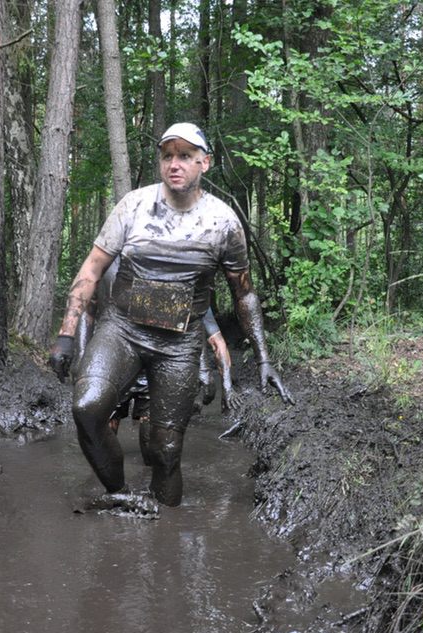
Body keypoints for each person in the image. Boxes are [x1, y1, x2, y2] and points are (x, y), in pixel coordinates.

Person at [50, 122, 292, 507]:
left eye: (184, 156)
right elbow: (91, 270)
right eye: (167, 156)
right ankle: (120, 495)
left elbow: (243, 293)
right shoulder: (133, 206)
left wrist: (263, 357)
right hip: (122, 330)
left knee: (165, 452)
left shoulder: (223, 222)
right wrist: (66, 336)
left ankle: (166, 527)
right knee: (87, 407)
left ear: (204, 163)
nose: (174, 164)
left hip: (178, 346)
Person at [76, 256, 243, 465]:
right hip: (115, 361)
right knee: (103, 439)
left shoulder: (174, 270)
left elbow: (195, 329)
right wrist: (82, 357)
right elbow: (87, 309)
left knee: (152, 450)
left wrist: (214, 377)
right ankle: (109, 482)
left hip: (153, 365)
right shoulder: (108, 264)